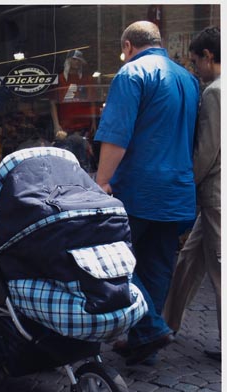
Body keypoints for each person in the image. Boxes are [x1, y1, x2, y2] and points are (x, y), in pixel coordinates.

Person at [94, 21, 199, 366]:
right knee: (157, 266)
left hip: (138, 188)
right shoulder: (188, 79)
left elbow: (117, 134)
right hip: (177, 190)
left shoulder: (131, 73)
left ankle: (150, 328)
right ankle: (143, 341)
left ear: (127, 45)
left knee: (114, 262)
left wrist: (101, 182)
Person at [163, 26, 221, 361]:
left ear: (208, 57)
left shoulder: (214, 92)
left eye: (195, 60)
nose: (193, 66)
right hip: (215, 195)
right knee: (187, 262)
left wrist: (187, 186)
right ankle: (167, 325)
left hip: (214, 195)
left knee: (218, 271)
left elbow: (206, 150)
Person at [49, 49, 98, 171]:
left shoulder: (87, 80)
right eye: (74, 59)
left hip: (84, 126)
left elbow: (92, 102)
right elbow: (53, 103)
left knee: (84, 159)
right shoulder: (60, 79)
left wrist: (93, 123)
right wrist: (56, 125)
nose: (76, 62)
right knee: (66, 160)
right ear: (68, 61)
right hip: (65, 127)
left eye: (79, 60)